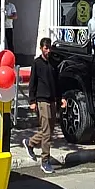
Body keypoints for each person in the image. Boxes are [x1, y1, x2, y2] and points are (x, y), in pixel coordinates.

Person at [26, 37, 59, 175]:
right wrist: (32, 101)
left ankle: (30, 143)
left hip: (52, 100)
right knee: (46, 133)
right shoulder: (37, 63)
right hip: (41, 100)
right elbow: (32, 83)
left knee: (49, 130)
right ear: (41, 48)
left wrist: (61, 98)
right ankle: (45, 161)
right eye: (46, 48)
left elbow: (57, 82)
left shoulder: (53, 63)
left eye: (49, 48)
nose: (48, 51)